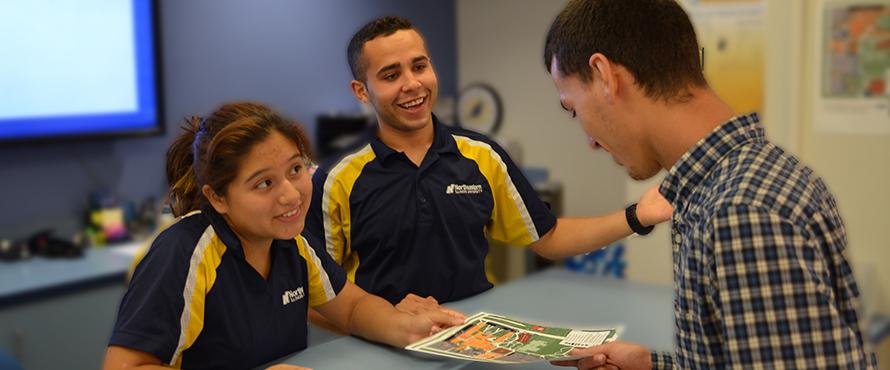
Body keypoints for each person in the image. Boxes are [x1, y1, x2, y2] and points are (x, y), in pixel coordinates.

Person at [543, 0, 878, 369]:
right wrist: (655, 365)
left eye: (573, 109)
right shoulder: (730, 183)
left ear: (605, 75)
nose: (589, 141)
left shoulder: (741, 211)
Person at [305, 15, 672, 312]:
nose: (412, 84)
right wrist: (385, 322)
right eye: (390, 75)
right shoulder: (337, 179)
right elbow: (320, 293)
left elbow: (549, 237)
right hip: (379, 347)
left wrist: (637, 215)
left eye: (419, 66)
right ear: (361, 91)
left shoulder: (481, 156)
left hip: (474, 341)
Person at [103, 102, 463, 370]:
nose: (291, 194)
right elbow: (124, 366)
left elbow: (351, 307)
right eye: (264, 183)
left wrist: (406, 328)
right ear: (218, 197)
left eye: (295, 169)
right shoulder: (186, 251)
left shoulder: (292, 243)